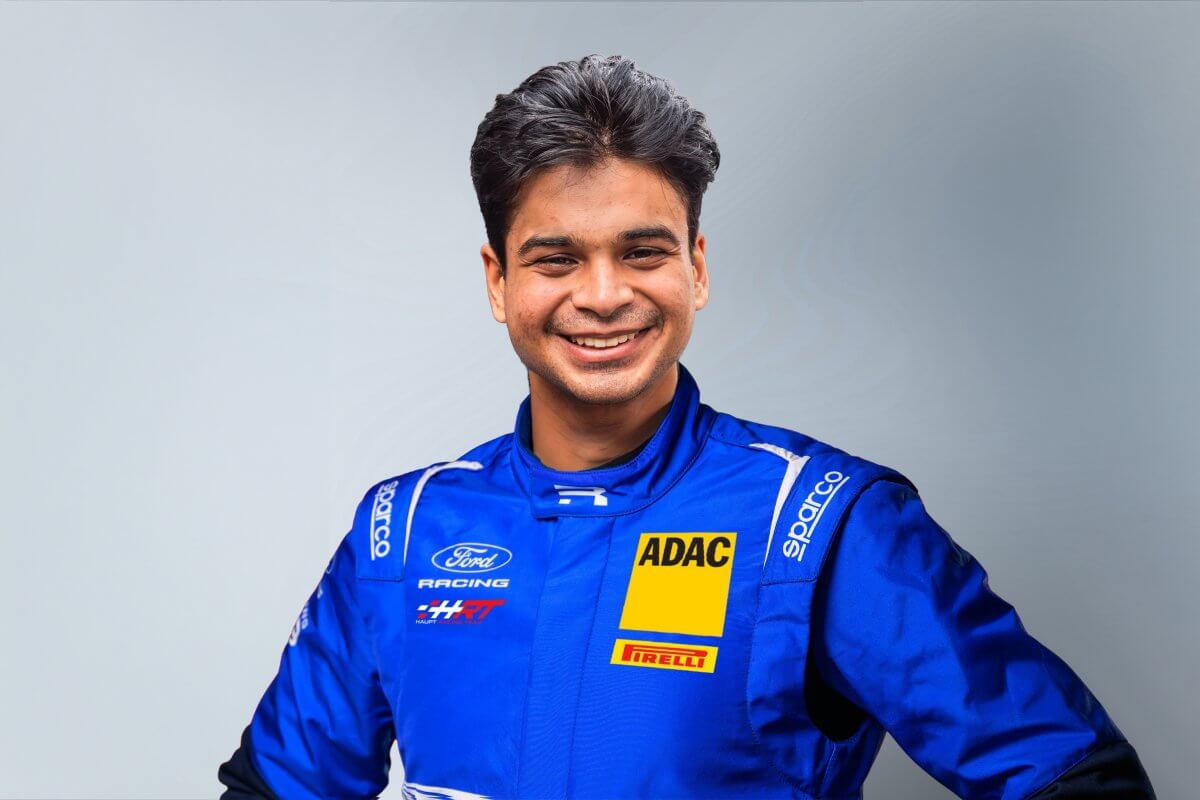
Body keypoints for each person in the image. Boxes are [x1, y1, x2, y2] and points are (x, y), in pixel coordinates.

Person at [219, 55, 1154, 799]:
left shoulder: (820, 524)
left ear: (695, 269)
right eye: (555, 259)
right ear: (498, 281)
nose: (602, 295)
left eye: (642, 252)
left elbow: (1073, 777)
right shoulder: (404, 533)